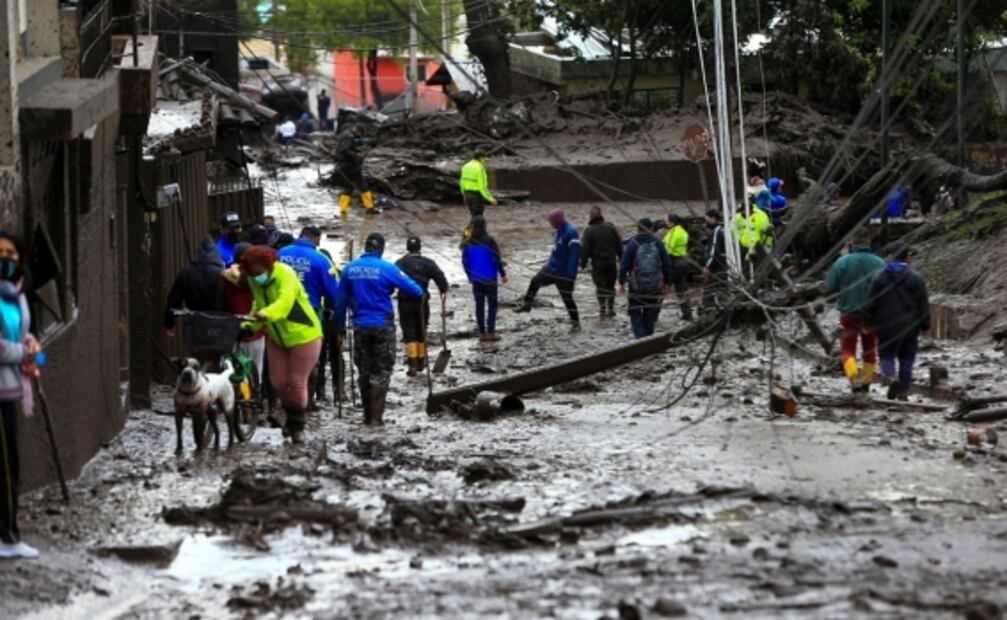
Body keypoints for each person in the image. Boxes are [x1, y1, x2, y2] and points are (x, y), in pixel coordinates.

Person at [335, 233, 424, 426]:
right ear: (381, 249)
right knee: (381, 371)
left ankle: (367, 416)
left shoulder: (349, 269)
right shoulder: (387, 268)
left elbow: (340, 302)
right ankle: (375, 419)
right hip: (382, 325)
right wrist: (391, 288)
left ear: (365, 247)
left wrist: (339, 329)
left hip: (359, 326)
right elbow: (416, 290)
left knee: (364, 371)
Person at [241, 246, 323, 444]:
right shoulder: (254, 281)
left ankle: (297, 426)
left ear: (269, 266)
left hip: (304, 335)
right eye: (252, 273)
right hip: (277, 337)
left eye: (259, 272)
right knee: (278, 383)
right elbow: (258, 306)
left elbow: (284, 303)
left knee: (296, 383)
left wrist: (266, 314)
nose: (255, 276)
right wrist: (249, 324)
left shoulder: (286, 274)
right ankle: (289, 416)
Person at [0, 231, 40, 559]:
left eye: (11, 253)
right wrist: (23, 354)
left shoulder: (18, 295)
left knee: (10, 463)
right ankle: (7, 537)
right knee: (5, 466)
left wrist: (34, 349)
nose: (6, 259)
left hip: (13, 388)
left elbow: (29, 340)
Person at [278, 226, 341, 409]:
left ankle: (281, 400)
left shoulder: (280, 253)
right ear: (314, 238)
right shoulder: (321, 260)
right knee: (308, 358)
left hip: (280, 311)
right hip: (308, 313)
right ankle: (307, 401)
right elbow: (333, 294)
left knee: (281, 354)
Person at [862, 242, 931, 401]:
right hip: (910, 326)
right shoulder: (916, 277)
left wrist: (866, 323)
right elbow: (923, 304)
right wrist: (925, 325)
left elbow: (870, 302)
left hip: (885, 325)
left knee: (886, 356)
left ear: (891, 256)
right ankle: (903, 392)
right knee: (907, 359)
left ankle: (891, 378)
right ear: (908, 257)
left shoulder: (879, 276)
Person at [825, 230, 886, 393]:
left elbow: (830, 285)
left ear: (853, 243)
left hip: (849, 312)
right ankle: (866, 382)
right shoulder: (879, 262)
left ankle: (853, 377)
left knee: (847, 349)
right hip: (872, 314)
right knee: (869, 348)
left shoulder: (842, 262)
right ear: (869, 243)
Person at [515, 208, 581, 331]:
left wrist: (571, 276)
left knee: (567, 299)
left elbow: (574, 256)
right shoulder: (557, 231)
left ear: (557, 221)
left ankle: (576, 323)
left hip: (563, 273)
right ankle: (527, 304)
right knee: (535, 281)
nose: (550, 224)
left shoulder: (571, 232)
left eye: (551, 221)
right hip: (551, 268)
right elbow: (555, 251)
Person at [395, 236, 449, 374]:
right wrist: (443, 289)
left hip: (405, 302)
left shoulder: (400, 263)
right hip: (422, 302)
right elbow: (440, 278)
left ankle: (412, 365)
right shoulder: (429, 263)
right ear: (420, 248)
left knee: (409, 332)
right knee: (421, 330)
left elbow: (391, 280)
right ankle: (421, 362)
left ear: (407, 248)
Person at [221, 243, 266, 386]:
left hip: (231, 331)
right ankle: (253, 398)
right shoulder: (260, 280)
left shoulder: (225, 279)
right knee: (255, 370)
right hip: (256, 331)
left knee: (230, 369)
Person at [619, 219, 673, 338]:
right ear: (652, 229)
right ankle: (648, 338)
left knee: (635, 313)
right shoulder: (658, 243)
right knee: (650, 313)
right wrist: (668, 283)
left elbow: (624, 266)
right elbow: (667, 265)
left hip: (636, 287)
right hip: (655, 286)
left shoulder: (632, 244)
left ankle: (640, 339)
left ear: (637, 229)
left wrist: (621, 282)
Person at [163, 236, 225, 339]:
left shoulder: (186, 273)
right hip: (219, 326)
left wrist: (169, 324)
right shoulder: (222, 274)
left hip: (194, 325)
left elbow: (174, 300)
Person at [462, 216, 508, 341]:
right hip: (490, 278)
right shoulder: (489, 240)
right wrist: (503, 274)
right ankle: (491, 332)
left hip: (476, 279)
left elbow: (465, 262)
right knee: (492, 305)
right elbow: (496, 258)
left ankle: (482, 333)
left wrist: (469, 276)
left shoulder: (468, 242)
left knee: (479, 306)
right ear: (484, 226)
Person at [579, 206, 623, 319]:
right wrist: (622, 259)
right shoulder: (611, 228)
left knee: (600, 287)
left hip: (598, 264)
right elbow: (619, 245)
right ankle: (611, 309)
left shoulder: (588, 231)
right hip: (611, 262)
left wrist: (582, 264)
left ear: (591, 217)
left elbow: (585, 250)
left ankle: (602, 310)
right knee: (611, 285)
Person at [335, 124, 373, 215]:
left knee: (348, 187)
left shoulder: (345, 134)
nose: (358, 135)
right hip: (350, 165)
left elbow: (346, 148)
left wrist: (356, 151)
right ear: (356, 129)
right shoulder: (348, 136)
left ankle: (343, 210)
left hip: (344, 165)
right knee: (363, 185)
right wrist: (357, 155)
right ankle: (370, 207)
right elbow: (344, 150)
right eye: (359, 133)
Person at [662, 213, 693, 321]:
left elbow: (667, 250)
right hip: (684, 262)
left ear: (672, 222)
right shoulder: (683, 231)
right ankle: (687, 314)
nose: (665, 222)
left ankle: (652, 314)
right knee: (682, 289)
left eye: (666, 220)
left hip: (675, 263)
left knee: (664, 287)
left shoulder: (673, 233)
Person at [701, 209, 727, 312]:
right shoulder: (724, 228)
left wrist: (707, 266)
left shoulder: (717, 231)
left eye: (706, 219)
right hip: (724, 265)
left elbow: (714, 251)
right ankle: (722, 307)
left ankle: (709, 311)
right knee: (722, 288)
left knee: (709, 289)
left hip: (717, 266)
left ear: (713, 219)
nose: (705, 222)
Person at [459, 152, 497, 218]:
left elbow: (462, 183)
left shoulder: (465, 166)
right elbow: (482, 187)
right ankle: (469, 229)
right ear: (481, 158)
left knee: (474, 217)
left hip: (468, 194)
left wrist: (464, 195)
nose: (484, 161)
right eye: (484, 159)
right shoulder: (480, 168)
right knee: (478, 218)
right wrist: (490, 198)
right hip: (477, 196)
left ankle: (470, 228)